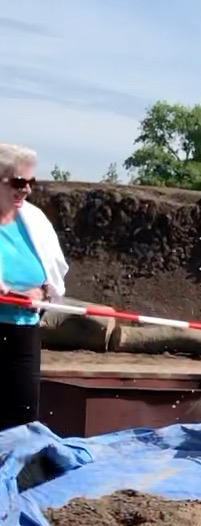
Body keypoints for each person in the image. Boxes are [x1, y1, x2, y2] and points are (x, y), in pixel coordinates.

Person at [0, 144, 68, 430]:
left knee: (22, 419)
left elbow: (53, 276)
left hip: (24, 332)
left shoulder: (35, 220)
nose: (26, 189)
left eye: (31, 183)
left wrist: (40, 293)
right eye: (18, 182)